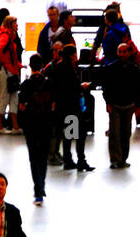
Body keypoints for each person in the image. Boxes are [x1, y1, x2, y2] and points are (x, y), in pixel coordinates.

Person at [102, 41, 140, 169]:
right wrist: (108, 103)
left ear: (129, 53)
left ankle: (123, 159)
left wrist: (138, 102)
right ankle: (115, 159)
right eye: (119, 52)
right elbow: (106, 87)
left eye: (124, 51)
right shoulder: (111, 68)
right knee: (114, 133)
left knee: (126, 133)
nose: (121, 54)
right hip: (115, 105)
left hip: (129, 105)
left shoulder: (136, 69)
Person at [50, 43, 93, 172]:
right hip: (72, 106)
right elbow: (69, 87)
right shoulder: (68, 68)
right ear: (72, 55)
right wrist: (82, 87)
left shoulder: (59, 67)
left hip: (64, 106)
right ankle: (80, 160)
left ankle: (69, 160)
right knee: (80, 134)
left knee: (69, 134)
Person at [17, 54, 54, 205]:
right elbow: (53, 105)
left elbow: (21, 106)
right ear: (42, 65)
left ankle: (38, 190)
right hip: (46, 122)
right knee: (43, 156)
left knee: (33, 157)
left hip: (31, 124)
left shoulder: (26, 84)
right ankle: (41, 186)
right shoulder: (49, 84)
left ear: (30, 66)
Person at [0, 15, 23, 134]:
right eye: (15, 23)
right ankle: (0, 126)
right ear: (10, 24)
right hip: (6, 71)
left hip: (11, 70)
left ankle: (15, 127)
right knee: (5, 97)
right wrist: (7, 63)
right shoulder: (5, 36)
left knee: (13, 97)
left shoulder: (9, 36)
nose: (17, 25)